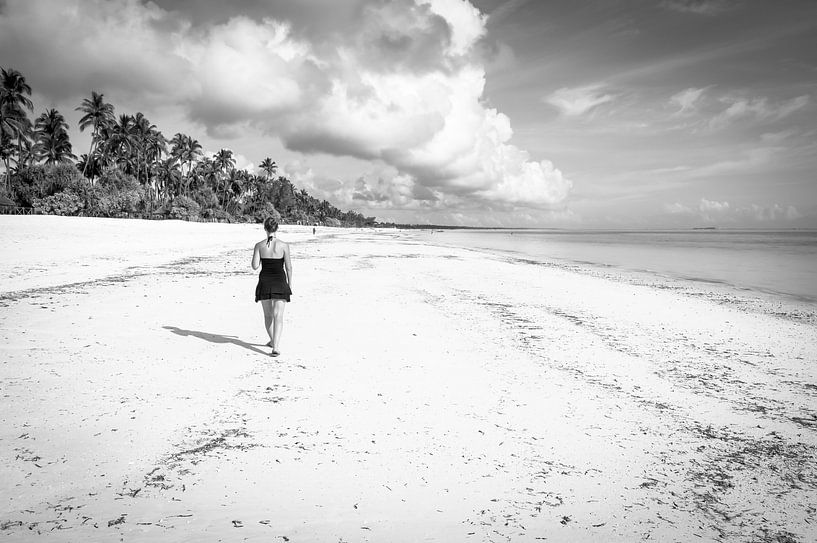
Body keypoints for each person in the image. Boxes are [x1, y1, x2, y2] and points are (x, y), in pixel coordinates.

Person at [252, 217, 292, 357]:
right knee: (278, 316)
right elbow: (289, 268)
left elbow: (255, 266)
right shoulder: (284, 245)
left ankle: (272, 340)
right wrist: (289, 284)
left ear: (265, 228)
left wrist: (259, 253)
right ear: (277, 229)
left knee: (268, 315)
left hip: (265, 282)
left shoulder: (259, 245)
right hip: (280, 282)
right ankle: (275, 346)